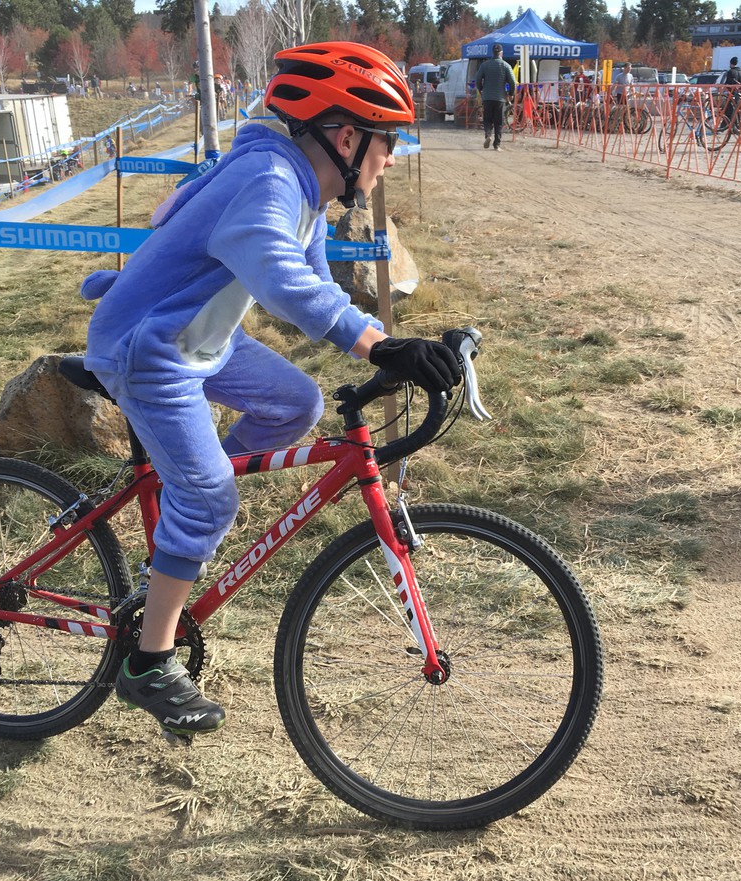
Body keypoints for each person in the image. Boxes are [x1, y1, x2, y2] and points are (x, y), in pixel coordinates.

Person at [79, 41, 461, 738]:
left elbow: (313, 282)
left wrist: (385, 340)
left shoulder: (307, 191)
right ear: (346, 137)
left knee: (296, 405)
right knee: (209, 496)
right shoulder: (269, 180)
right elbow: (282, 279)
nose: (391, 158)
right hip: (150, 346)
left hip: (193, 338)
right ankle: (148, 663)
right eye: (388, 142)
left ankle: (181, 516)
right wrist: (378, 343)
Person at [475, 43, 516, 151]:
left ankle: (488, 134)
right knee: (499, 122)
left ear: (492, 53)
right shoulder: (506, 65)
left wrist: (481, 89)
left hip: (487, 97)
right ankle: (496, 145)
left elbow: (478, 79)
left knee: (487, 119)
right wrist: (511, 93)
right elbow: (512, 82)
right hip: (500, 98)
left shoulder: (485, 65)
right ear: (501, 53)